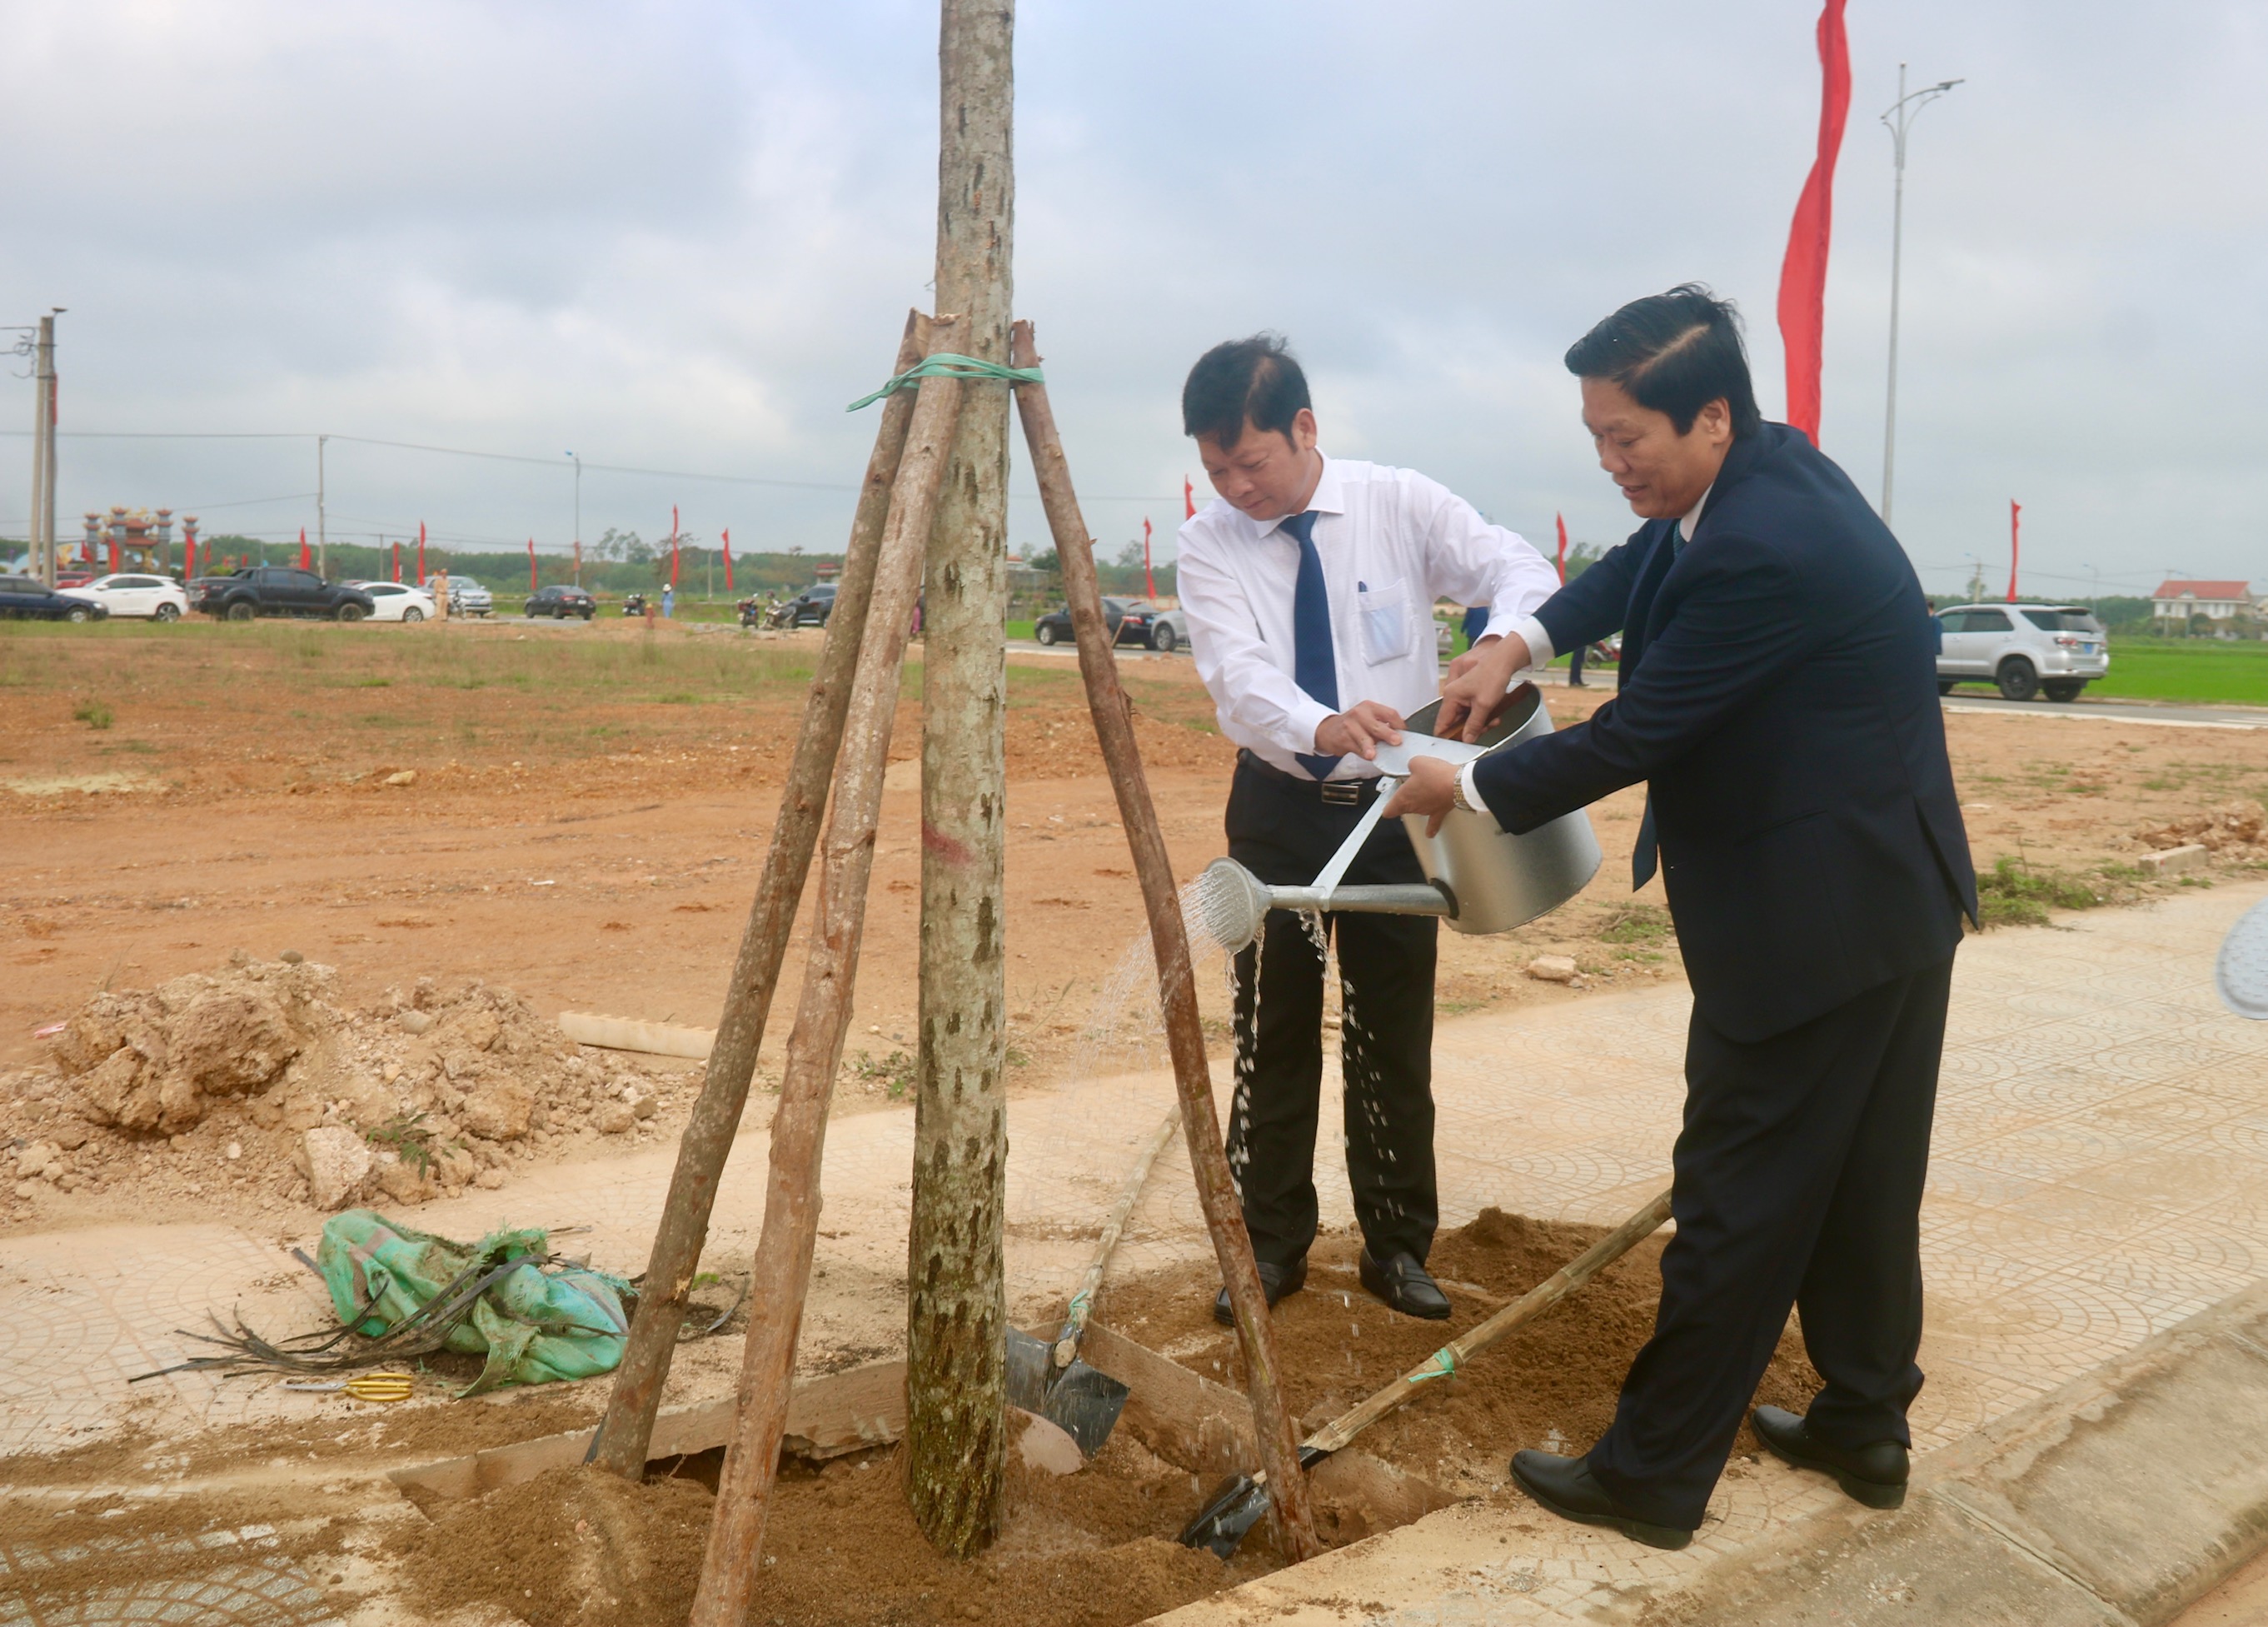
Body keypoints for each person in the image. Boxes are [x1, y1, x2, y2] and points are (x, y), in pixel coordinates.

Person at [1385, 286, 1976, 1549]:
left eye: (1625, 439)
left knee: (1735, 1198)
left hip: (1809, 929)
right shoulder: (1757, 478)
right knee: (1865, 1185)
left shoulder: (1763, 547)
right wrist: (1517, 638)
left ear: (1709, 415)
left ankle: (1650, 1475)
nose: (1609, 464)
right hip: (1889, 899)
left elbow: (1641, 734)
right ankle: (1863, 1425)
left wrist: (1467, 784)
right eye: (1594, 438)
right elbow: (1636, 567)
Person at [1176, 334, 1559, 1326]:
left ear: (1304, 428)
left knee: (1392, 1029)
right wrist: (1322, 724)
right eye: (1215, 469)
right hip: (1275, 809)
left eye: (1249, 463)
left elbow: (1518, 567)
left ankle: (1396, 1248)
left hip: (1398, 812)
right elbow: (1235, 675)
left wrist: (1496, 642)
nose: (1234, 487)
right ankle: (1266, 1248)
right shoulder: (1207, 542)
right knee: (1272, 1031)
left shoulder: (1397, 502)